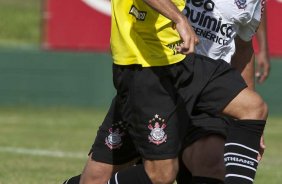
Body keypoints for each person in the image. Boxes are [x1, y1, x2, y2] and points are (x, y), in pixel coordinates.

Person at [63, 0, 267, 184]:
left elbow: (243, 47)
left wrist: (247, 129)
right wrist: (179, 19)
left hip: (200, 83)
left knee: (216, 157)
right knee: (104, 176)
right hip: (154, 75)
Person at [176, 1, 270, 184]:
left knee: (212, 162)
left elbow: (243, 49)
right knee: (154, 173)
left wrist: (248, 122)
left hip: (211, 88)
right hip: (161, 78)